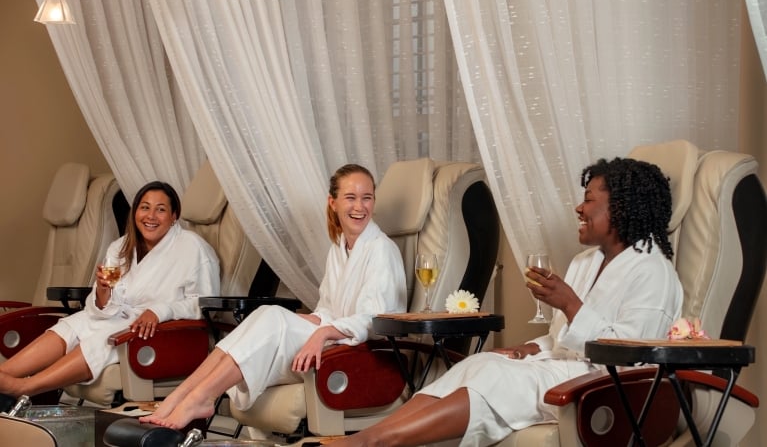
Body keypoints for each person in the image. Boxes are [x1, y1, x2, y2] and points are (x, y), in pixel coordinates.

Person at [331, 157, 684, 447]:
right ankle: (371, 436)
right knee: (478, 362)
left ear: (620, 208)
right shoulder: (585, 262)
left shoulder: (653, 271)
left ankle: (374, 442)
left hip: (604, 384)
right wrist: (526, 348)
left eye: (589, 198)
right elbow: (562, 339)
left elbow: (635, 354)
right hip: (566, 366)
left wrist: (570, 304)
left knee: (494, 376)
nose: (579, 207)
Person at [141, 163, 407, 429]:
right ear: (333, 202)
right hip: (333, 340)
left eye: (367, 198)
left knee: (273, 319)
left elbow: (375, 320)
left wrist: (322, 333)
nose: (359, 207)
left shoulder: (382, 250)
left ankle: (201, 396)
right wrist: (311, 324)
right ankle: (182, 395)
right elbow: (326, 310)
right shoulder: (339, 249)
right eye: (351, 198)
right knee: (268, 314)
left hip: (356, 351)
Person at [0, 181, 220, 398]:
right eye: (144, 207)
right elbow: (105, 304)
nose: (150, 216)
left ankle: (24, 388)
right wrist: (103, 294)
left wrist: (160, 311)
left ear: (174, 216)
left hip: (163, 331)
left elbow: (204, 304)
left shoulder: (193, 248)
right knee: (70, 326)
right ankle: (4, 376)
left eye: (160, 209)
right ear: (135, 212)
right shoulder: (121, 246)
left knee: (103, 339)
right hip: (118, 318)